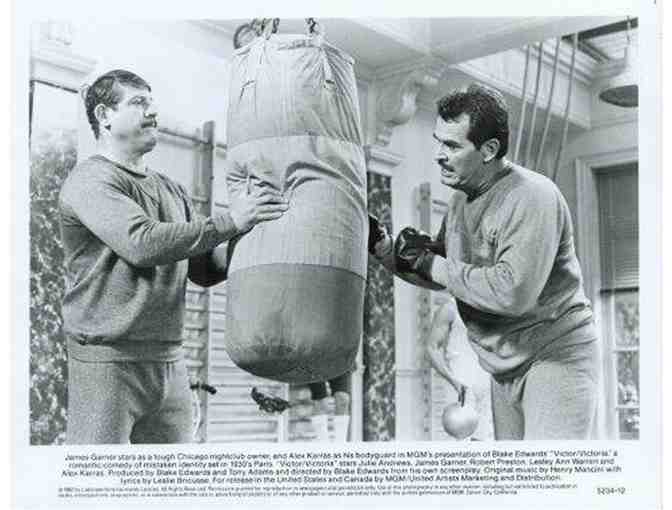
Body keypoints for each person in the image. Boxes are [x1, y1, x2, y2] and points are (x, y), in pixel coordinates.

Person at [59, 69, 289, 444]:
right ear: (104, 115)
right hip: (107, 361)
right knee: (97, 476)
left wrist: (255, 237)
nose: (153, 111)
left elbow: (204, 270)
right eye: (139, 102)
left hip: (169, 361)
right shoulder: (90, 181)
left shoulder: (173, 190)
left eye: (153, 103)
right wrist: (232, 220)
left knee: (173, 477)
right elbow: (142, 243)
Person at [369, 83, 600, 440]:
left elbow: (511, 292)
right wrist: (384, 249)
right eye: (438, 142)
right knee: (514, 475)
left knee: (547, 474)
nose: (439, 155)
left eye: (452, 145)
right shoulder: (460, 201)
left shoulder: (532, 195)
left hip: (556, 356)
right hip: (504, 366)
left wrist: (429, 263)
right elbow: (447, 272)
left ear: (489, 149)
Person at [308, 372, 352, 442]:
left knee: (343, 399)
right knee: (320, 400)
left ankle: (340, 443)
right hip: (316, 366)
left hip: (340, 365)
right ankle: (323, 443)